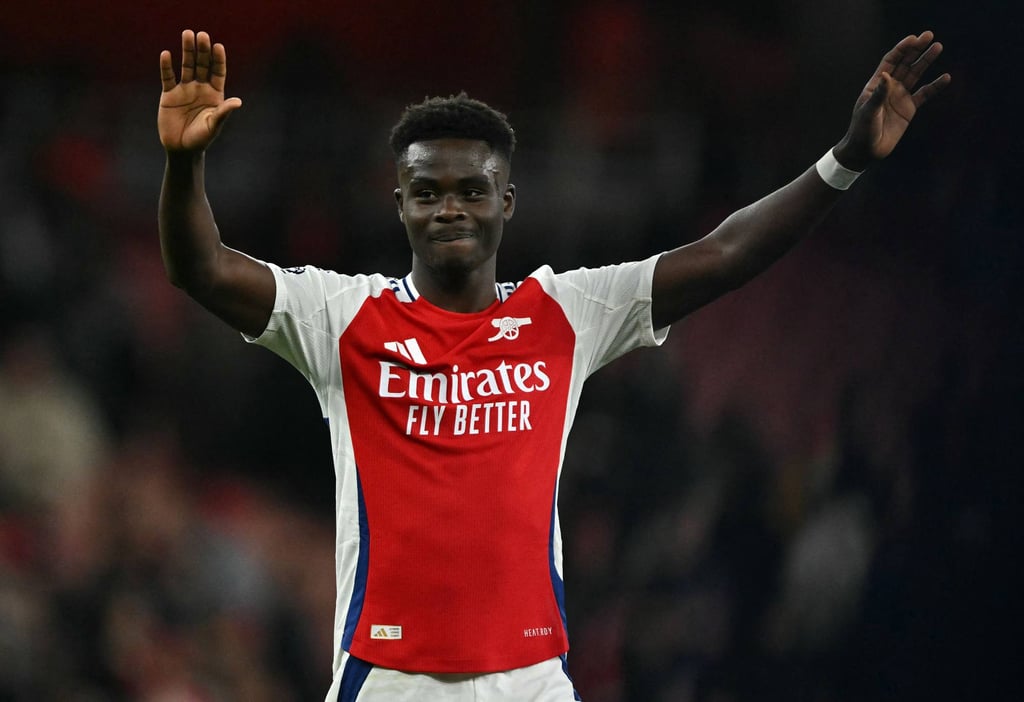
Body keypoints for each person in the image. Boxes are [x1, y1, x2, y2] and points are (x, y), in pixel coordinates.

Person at [156, 28, 949, 701]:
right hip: (389, 681)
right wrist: (185, 165)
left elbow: (725, 253)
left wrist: (844, 161)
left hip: (529, 685)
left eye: (472, 189)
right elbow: (204, 269)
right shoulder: (343, 317)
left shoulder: (566, 312)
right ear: (399, 204)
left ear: (507, 202)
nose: (449, 208)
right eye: (426, 191)